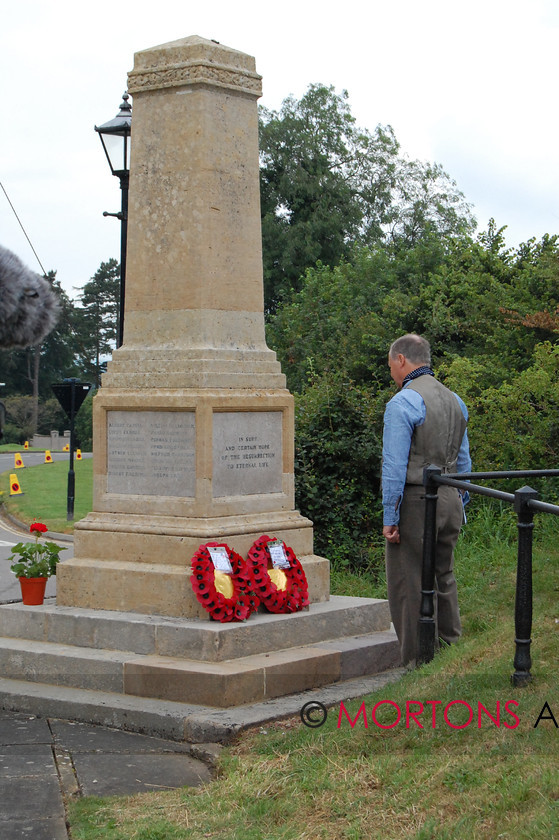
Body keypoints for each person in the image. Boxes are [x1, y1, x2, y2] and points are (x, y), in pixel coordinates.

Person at [382, 334, 471, 667]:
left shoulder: (403, 402)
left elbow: (393, 465)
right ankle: (452, 648)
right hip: (450, 496)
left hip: (418, 499)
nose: (391, 371)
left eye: (391, 364)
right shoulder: (454, 400)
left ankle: (418, 660)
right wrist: (460, 499)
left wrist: (390, 515)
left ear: (402, 360)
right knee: (444, 574)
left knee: (409, 581)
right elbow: (464, 459)